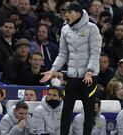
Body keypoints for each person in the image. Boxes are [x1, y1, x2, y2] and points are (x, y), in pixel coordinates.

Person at [40, 2, 102, 135]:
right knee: (66, 110)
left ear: (78, 14)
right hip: (72, 76)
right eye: (65, 12)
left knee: (89, 111)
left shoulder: (92, 28)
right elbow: (63, 54)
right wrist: (53, 69)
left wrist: (90, 71)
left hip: (89, 77)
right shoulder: (65, 29)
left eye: (69, 12)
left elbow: (95, 53)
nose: (66, 15)